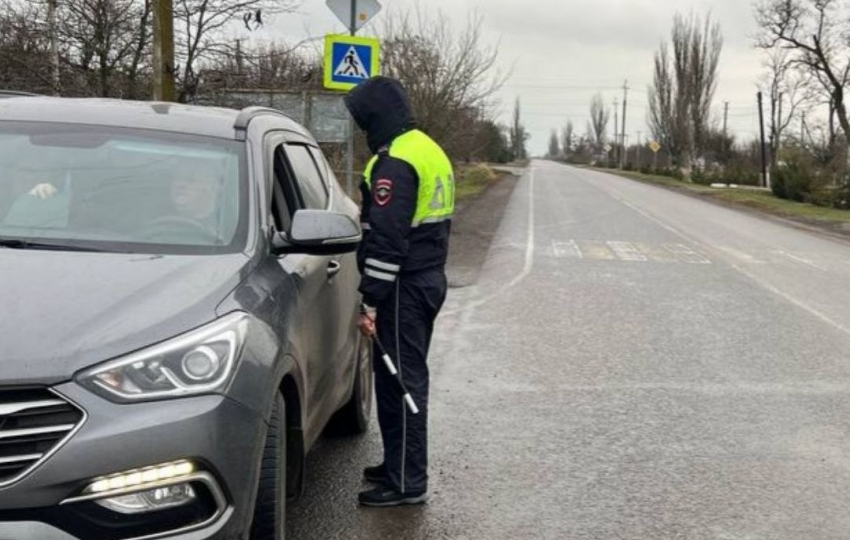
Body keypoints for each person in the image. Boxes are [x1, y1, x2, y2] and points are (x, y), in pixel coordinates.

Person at [344, 76, 454, 507]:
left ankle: (407, 481)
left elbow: (387, 242)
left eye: (362, 119)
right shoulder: (426, 147)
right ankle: (397, 464)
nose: (359, 128)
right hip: (425, 278)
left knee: (400, 383)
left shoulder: (395, 162)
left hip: (403, 288)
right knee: (398, 379)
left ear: (376, 115)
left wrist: (370, 298)